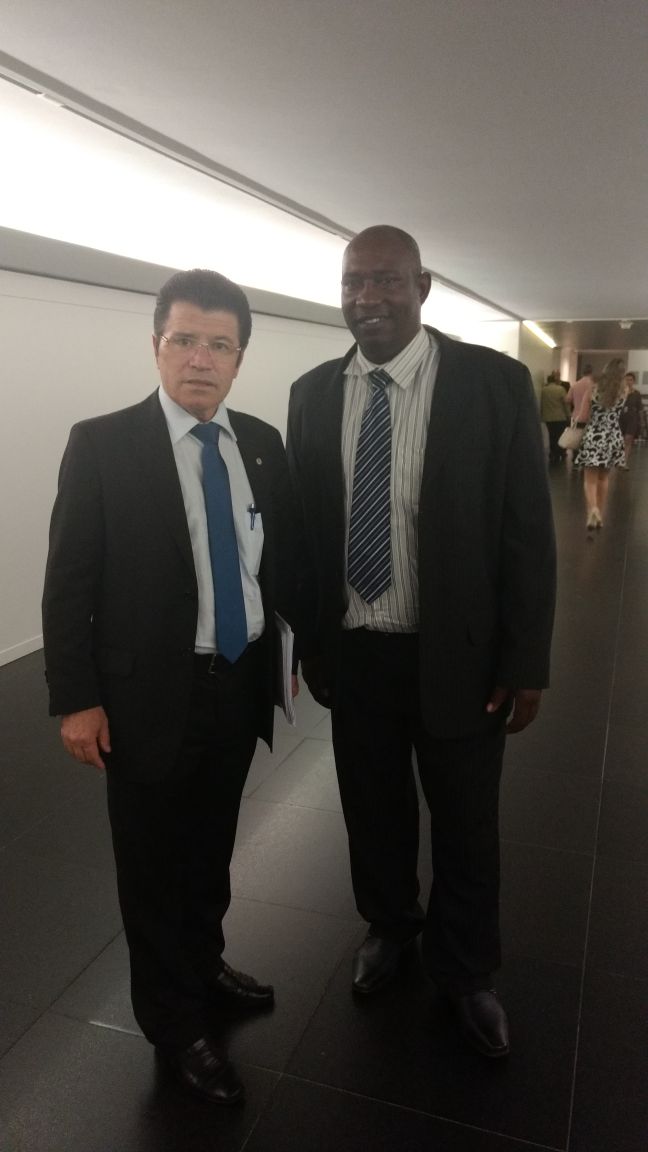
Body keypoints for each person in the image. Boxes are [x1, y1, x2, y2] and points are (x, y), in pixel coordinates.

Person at [286, 225, 556, 1059]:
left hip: (461, 656)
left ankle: (466, 969)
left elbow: (526, 532)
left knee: (467, 822)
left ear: (423, 286)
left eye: (386, 280)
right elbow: (308, 530)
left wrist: (526, 662)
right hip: (357, 649)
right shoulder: (312, 393)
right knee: (372, 808)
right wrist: (309, 644)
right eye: (353, 282)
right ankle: (390, 926)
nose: (367, 298)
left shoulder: (493, 383)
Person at [42, 269, 301, 1106]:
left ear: (239, 358)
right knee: (152, 865)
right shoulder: (103, 444)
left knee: (211, 843)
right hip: (146, 695)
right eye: (184, 339)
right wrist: (75, 697)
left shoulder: (259, 443)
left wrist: (292, 648)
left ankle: (204, 963)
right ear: (156, 345)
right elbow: (69, 583)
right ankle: (172, 1020)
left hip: (238, 682)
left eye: (219, 344)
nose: (200, 358)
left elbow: (275, 558)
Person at [574, 357, 627, 530]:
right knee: (604, 478)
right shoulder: (623, 391)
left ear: (605, 370)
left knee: (590, 479)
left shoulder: (593, 388)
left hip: (594, 435)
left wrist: (576, 420)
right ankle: (600, 516)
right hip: (612, 437)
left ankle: (593, 510)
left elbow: (583, 416)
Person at [541, 371, 571, 461]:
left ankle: (553, 453)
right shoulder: (560, 389)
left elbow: (542, 403)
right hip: (560, 417)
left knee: (552, 436)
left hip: (548, 417)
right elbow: (565, 403)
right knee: (560, 436)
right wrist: (568, 415)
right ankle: (561, 452)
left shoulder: (544, 390)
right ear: (554, 380)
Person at [619, 371, 643, 466]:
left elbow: (640, 409)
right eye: (627, 380)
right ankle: (618, 459)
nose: (628, 382)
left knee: (628, 439)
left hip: (632, 419)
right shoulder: (620, 393)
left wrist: (641, 422)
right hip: (621, 418)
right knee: (620, 440)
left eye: (630, 380)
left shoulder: (637, 394)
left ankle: (624, 462)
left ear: (634, 381)